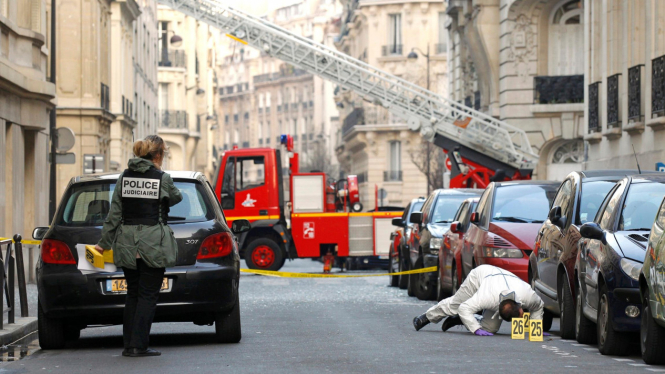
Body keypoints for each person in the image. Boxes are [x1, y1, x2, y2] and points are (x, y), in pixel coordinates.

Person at [95, 135, 183, 357]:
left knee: (132, 294)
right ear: (159, 155)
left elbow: (114, 215)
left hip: (126, 243)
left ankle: (129, 345)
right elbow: (177, 198)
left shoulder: (124, 178)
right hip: (153, 243)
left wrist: (103, 244)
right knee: (147, 295)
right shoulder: (161, 177)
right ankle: (139, 345)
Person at [412, 265, 544, 336]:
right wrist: (475, 329)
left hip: (504, 278)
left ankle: (462, 319)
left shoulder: (527, 296)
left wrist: (535, 328)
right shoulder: (486, 298)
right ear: (497, 310)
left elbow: (539, 306)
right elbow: (463, 308)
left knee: (490, 329)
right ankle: (426, 317)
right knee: (455, 305)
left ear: (520, 306)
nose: (522, 316)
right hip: (480, 276)